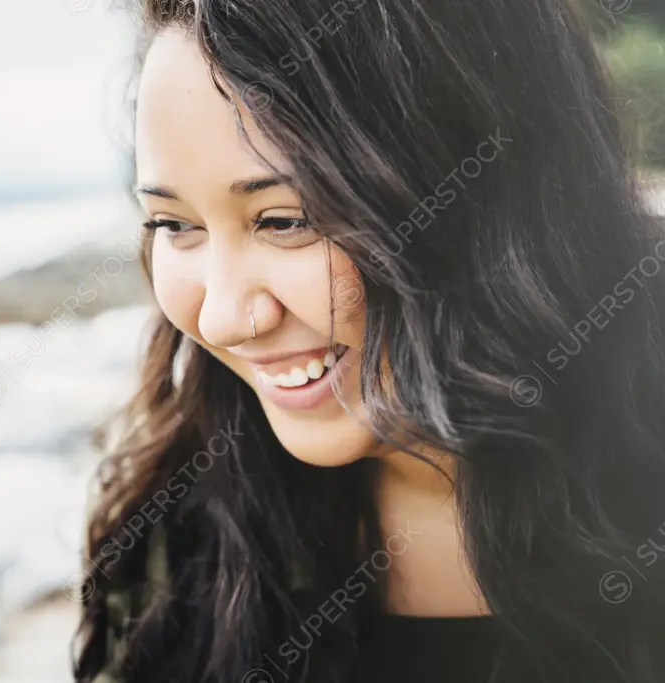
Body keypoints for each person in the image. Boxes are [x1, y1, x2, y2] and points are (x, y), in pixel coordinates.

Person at [73, 0, 665, 681]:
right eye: (175, 225)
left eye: (285, 220)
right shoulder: (187, 529)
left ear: (483, 186)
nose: (226, 318)